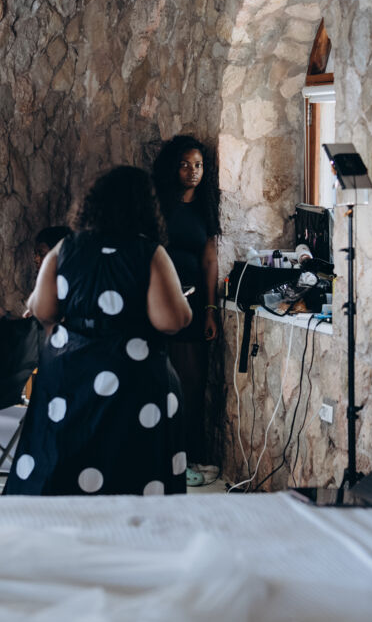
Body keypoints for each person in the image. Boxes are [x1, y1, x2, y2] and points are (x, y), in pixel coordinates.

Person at [5, 166, 192, 496]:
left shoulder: (65, 249)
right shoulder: (149, 253)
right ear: (146, 207)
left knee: (60, 465)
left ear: (91, 204)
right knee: (134, 469)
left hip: (70, 378)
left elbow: (42, 309)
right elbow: (170, 320)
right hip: (135, 379)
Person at [152, 135, 221, 487]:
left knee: (192, 384)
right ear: (172, 168)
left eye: (198, 165)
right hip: (161, 301)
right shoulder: (160, 204)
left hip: (194, 304)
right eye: (185, 165)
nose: (193, 172)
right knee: (164, 382)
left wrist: (210, 309)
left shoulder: (206, 206)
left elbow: (209, 260)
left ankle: (190, 457)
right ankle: (165, 460)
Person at [0, 225, 71, 320]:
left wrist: (4, 316)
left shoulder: (67, 291)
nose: (36, 259)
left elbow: (40, 328)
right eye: (35, 254)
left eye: (41, 253)